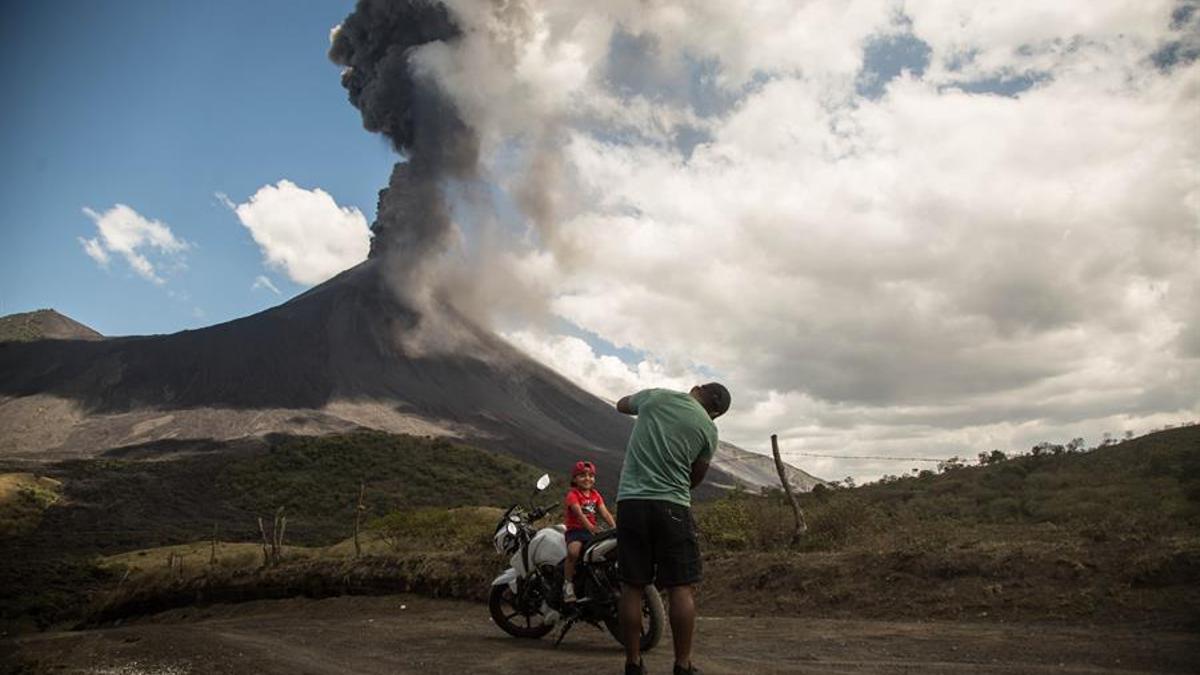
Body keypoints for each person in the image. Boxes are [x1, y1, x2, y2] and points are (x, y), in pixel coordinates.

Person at [615, 383, 730, 675]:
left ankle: (633, 663)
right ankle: (682, 665)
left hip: (631, 503)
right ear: (715, 413)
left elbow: (621, 404)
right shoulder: (709, 429)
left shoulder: (657, 397)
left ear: (695, 388)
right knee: (681, 587)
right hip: (673, 507)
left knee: (632, 586)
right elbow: (696, 477)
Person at [562, 459, 616, 603]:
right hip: (576, 531)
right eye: (582, 475)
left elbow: (605, 513)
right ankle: (567, 584)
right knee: (573, 552)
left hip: (591, 531)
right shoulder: (573, 495)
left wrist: (614, 528)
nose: (587, 478)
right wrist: (591, 528)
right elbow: (579, 515)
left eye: (591, 475)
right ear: (575, 479)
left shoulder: (595, 495)